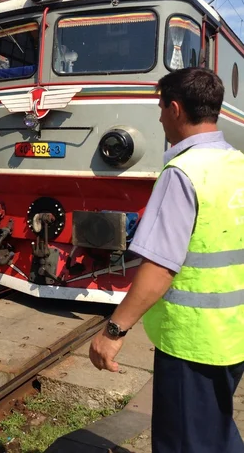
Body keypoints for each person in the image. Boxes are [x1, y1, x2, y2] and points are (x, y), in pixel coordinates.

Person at [89, 67, 244, 453]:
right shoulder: (237, 163)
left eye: (160, 108)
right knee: (216, 430)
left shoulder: (182, 173)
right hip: (233, 335)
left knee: (186, 442)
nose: (158, 117)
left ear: (175, 109)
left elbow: (159, 270)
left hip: (192, 342)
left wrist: (113, 332)